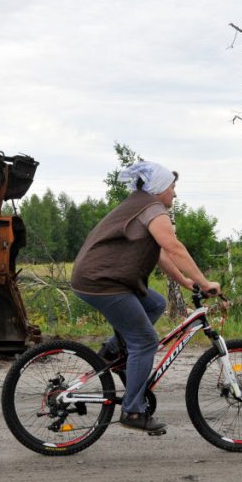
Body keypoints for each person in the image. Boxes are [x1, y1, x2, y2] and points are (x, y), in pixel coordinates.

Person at [71, 161, 221, 433]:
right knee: (144, 341)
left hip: (101, 279)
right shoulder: (152, 208)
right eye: (173, 187)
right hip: (103, 282)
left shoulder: (141, 205)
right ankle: (133, 411)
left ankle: (112, 351)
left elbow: (161, 254)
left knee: (156, 303)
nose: (175, 194)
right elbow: (173, 247)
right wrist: (204, 282)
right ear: (160, 188)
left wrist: (187, 282)